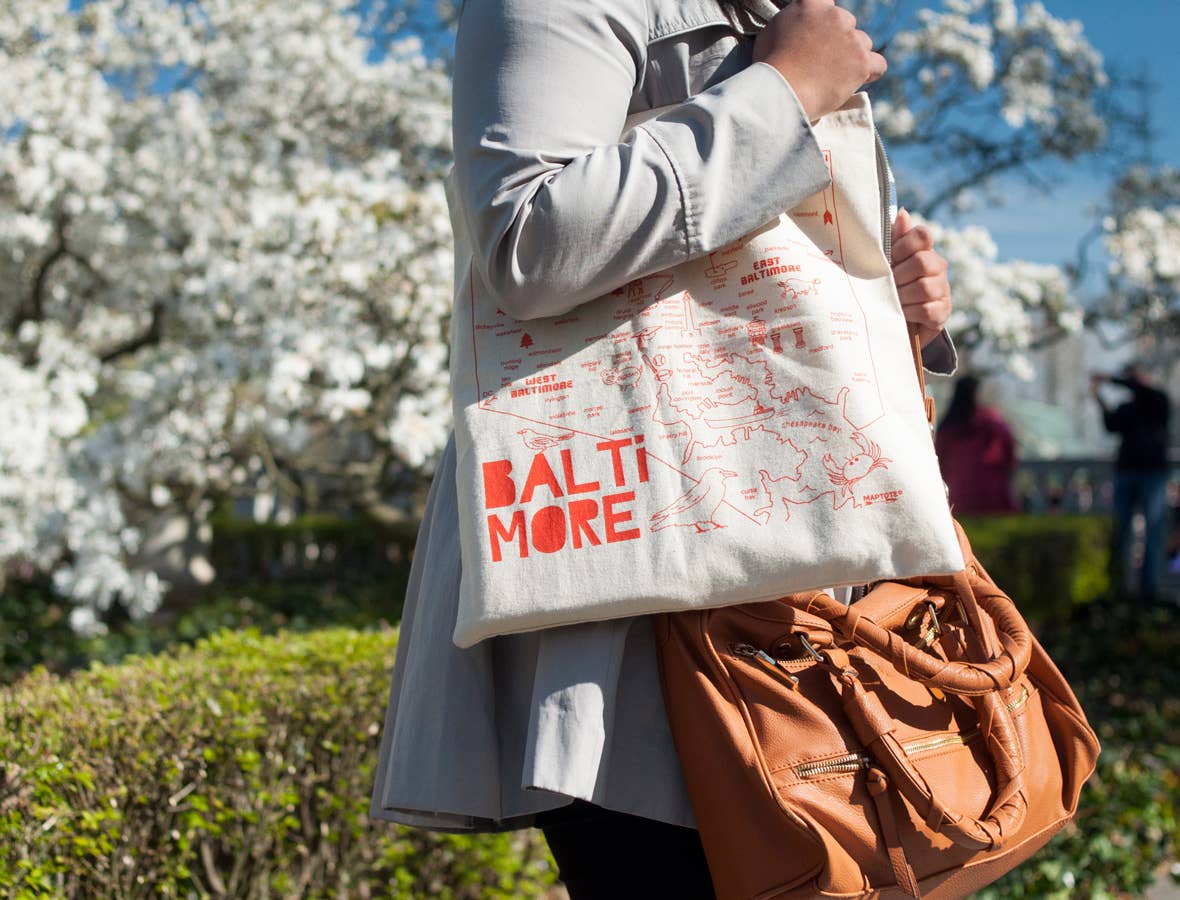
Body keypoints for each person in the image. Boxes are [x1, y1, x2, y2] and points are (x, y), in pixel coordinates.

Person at [369, 1, 958, 897]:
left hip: (795, 592)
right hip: (639, 624)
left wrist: (894, 302)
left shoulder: (782, 15)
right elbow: (527, 239)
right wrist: (786, 90)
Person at [1092, 364, 1172, 606]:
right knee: (1121, 532)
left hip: (1153, 474)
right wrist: (1098, 397)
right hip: (1126, 473)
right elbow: (1111, 425)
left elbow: (1139, 389)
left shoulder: (1158, 400)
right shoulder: (1128, 408)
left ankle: (1150, 591)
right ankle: (1119, 587)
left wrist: (1111, 377)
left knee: (1154, 533)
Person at [934, 375, 1018, 515]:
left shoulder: (947, 426)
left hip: (958, 496)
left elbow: (938, 462)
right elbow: (1009, 456)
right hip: (992, 496)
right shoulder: (992, 422)